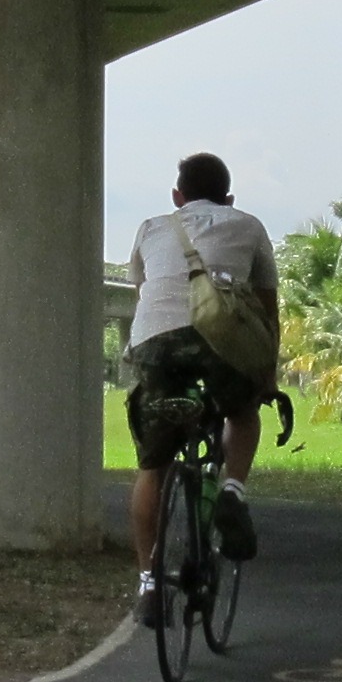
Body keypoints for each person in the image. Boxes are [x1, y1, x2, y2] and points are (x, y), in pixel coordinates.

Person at [120, 153, 279, 625]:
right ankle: (232, 490)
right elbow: (268, 309)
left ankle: (149, 583)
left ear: (177, 196)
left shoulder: (152, 227)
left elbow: (144, 296)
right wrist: (266, 376)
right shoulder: (248, 225)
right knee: (243, 412)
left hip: (159, 345)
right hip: (222, 343)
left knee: (153, 466)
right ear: (229, 198)